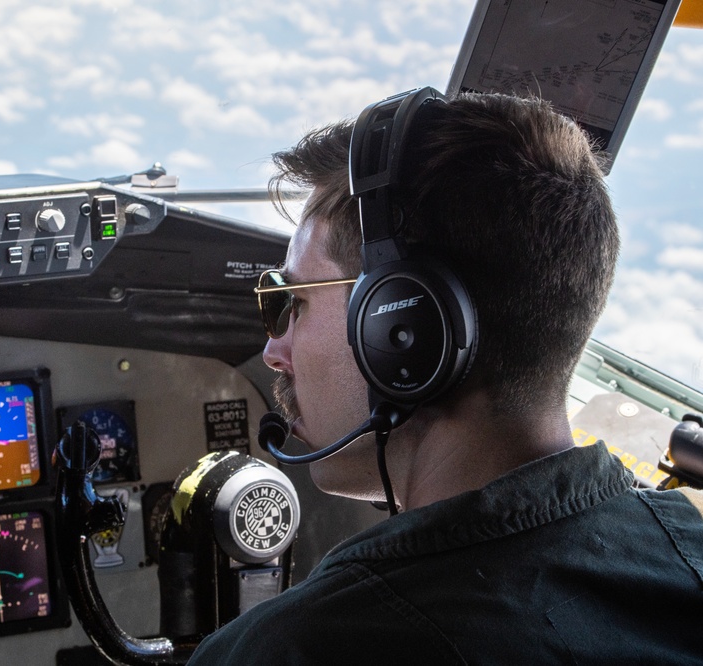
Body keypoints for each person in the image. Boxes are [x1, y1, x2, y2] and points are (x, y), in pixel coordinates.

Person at [187, 91, 703, 664]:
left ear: (403, 326)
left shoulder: (297, 648)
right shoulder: (685, 548)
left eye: (291, 301)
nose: (273, 348)